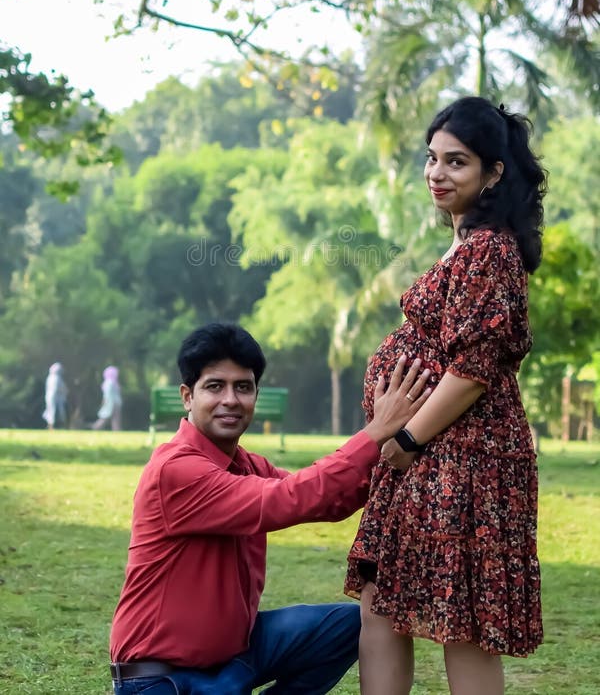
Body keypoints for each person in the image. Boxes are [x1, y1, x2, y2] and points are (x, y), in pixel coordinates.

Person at [345, 96, 547, 695]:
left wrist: (407, 436)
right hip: (429, 459)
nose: (437, 173)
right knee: (384, 596)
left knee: (466, 621)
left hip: (466, 458)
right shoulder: (467, 245)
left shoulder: (489, 250)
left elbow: (474, 367)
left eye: (456, 162)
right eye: (432, 159)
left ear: (494, 172)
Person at [109, 321, 432, 695]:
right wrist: (376, 432)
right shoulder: (175, 470)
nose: (230, 399)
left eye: (243, 387)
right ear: (187, 396)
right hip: (162, 679)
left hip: (232, 657)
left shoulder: (247, 465)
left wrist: (398, 450)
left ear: (255, 396)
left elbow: (324, 496)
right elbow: (287, 499)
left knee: (352, 624)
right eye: (215, 386)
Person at [92, 366, 122, 431]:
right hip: (112, 403)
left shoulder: (111, 382)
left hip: (113, 402)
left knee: (113, 418)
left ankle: (116, 430)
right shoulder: (110, 382)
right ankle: (95, 427)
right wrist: (105, 402)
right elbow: (107, 395)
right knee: (108, 418)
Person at [42, 362, 68, 430]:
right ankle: (52, 426)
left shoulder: (50, 377)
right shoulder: (56, 378)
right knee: (53, 411)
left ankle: (52, 426)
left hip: (50, 396)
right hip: (55, 397)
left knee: (51, 410)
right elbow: (59, 388)